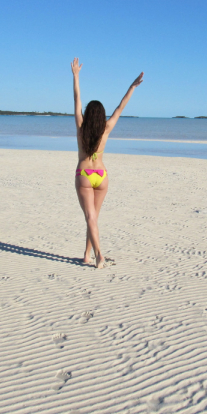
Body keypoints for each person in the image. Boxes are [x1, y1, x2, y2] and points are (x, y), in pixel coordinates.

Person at [72, 57, 144, 267]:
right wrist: (132, 86)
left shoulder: (80, 127)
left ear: (87, 114)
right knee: (92, 217)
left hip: (84, 175)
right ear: (101, 115)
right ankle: (86, 255)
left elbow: (77, 100)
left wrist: (76, 76)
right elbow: (121, 107)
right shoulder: (107, 127)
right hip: (102, 176)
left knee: (90, 217)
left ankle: (99, 255)